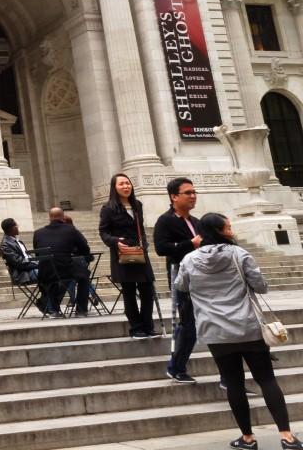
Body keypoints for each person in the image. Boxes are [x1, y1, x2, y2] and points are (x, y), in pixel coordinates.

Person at [174, 213, 303, 450]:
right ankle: (286, 436)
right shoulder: (239, 254)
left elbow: (180, 285)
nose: (231, 230)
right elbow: (261, 286)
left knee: (233, 383)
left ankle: (247, 438)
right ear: (220, 231)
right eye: (228, 227)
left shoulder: (189, 260)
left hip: (215, 331)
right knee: (266, 379)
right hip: (248, 327)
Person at [154, 176, 202, 383]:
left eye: (194, 192)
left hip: (202, 277)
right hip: (182, 277)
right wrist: (190, 243)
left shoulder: (196, 221)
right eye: (188, 193)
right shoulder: (165, 220)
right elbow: (161, 248)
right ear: (174, 196)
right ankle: (177, 367)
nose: (193, 196)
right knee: (188, 323)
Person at [99, 173, 158, 339]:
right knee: (129, 291)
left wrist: (144, 243)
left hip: (140, 253)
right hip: (122, 254)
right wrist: (116, 241)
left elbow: (141, 228)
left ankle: (148, 326)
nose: (126, 187)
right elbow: (103, 232)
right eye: (121, 184)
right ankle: (136, 328)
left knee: (147, 291)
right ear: (114, 188)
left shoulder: (137, 205)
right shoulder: (108, 208)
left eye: (127, 183)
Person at [33, 207, 91, 317]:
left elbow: (38, 254)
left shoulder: (38, 233)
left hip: (45, 272)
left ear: (49, 218)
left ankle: (54, 310)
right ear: (63, 217)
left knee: (56, 277)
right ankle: (81, 310)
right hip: (66, 268)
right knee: (84, 276)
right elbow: (84, 247)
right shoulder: (71, 230)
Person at [0, 217, 38, 284]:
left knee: (52, 270)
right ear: (13, 228)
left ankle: (47, 293)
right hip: (24, 274)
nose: (18, 227)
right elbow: (19, 263)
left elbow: (26, 256)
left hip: (31, 269)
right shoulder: (5, 245)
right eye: (17, 226)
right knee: (51, 273)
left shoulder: (16, 241)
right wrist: (37, 264)